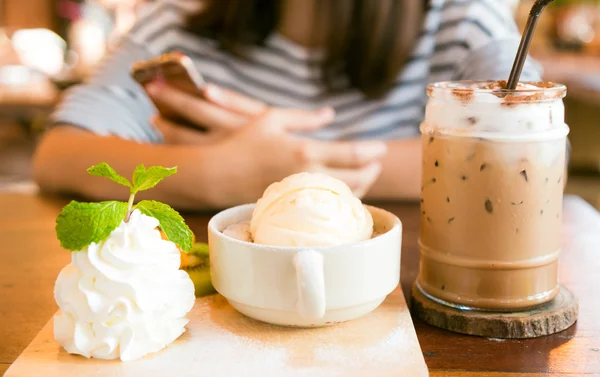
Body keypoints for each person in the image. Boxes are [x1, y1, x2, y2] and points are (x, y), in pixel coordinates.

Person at [33, 0, 541, 209]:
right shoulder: (180, 25)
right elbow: (57, 155)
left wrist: (288, 169)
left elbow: (529, 154)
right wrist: (215, 172)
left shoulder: (462, 19)